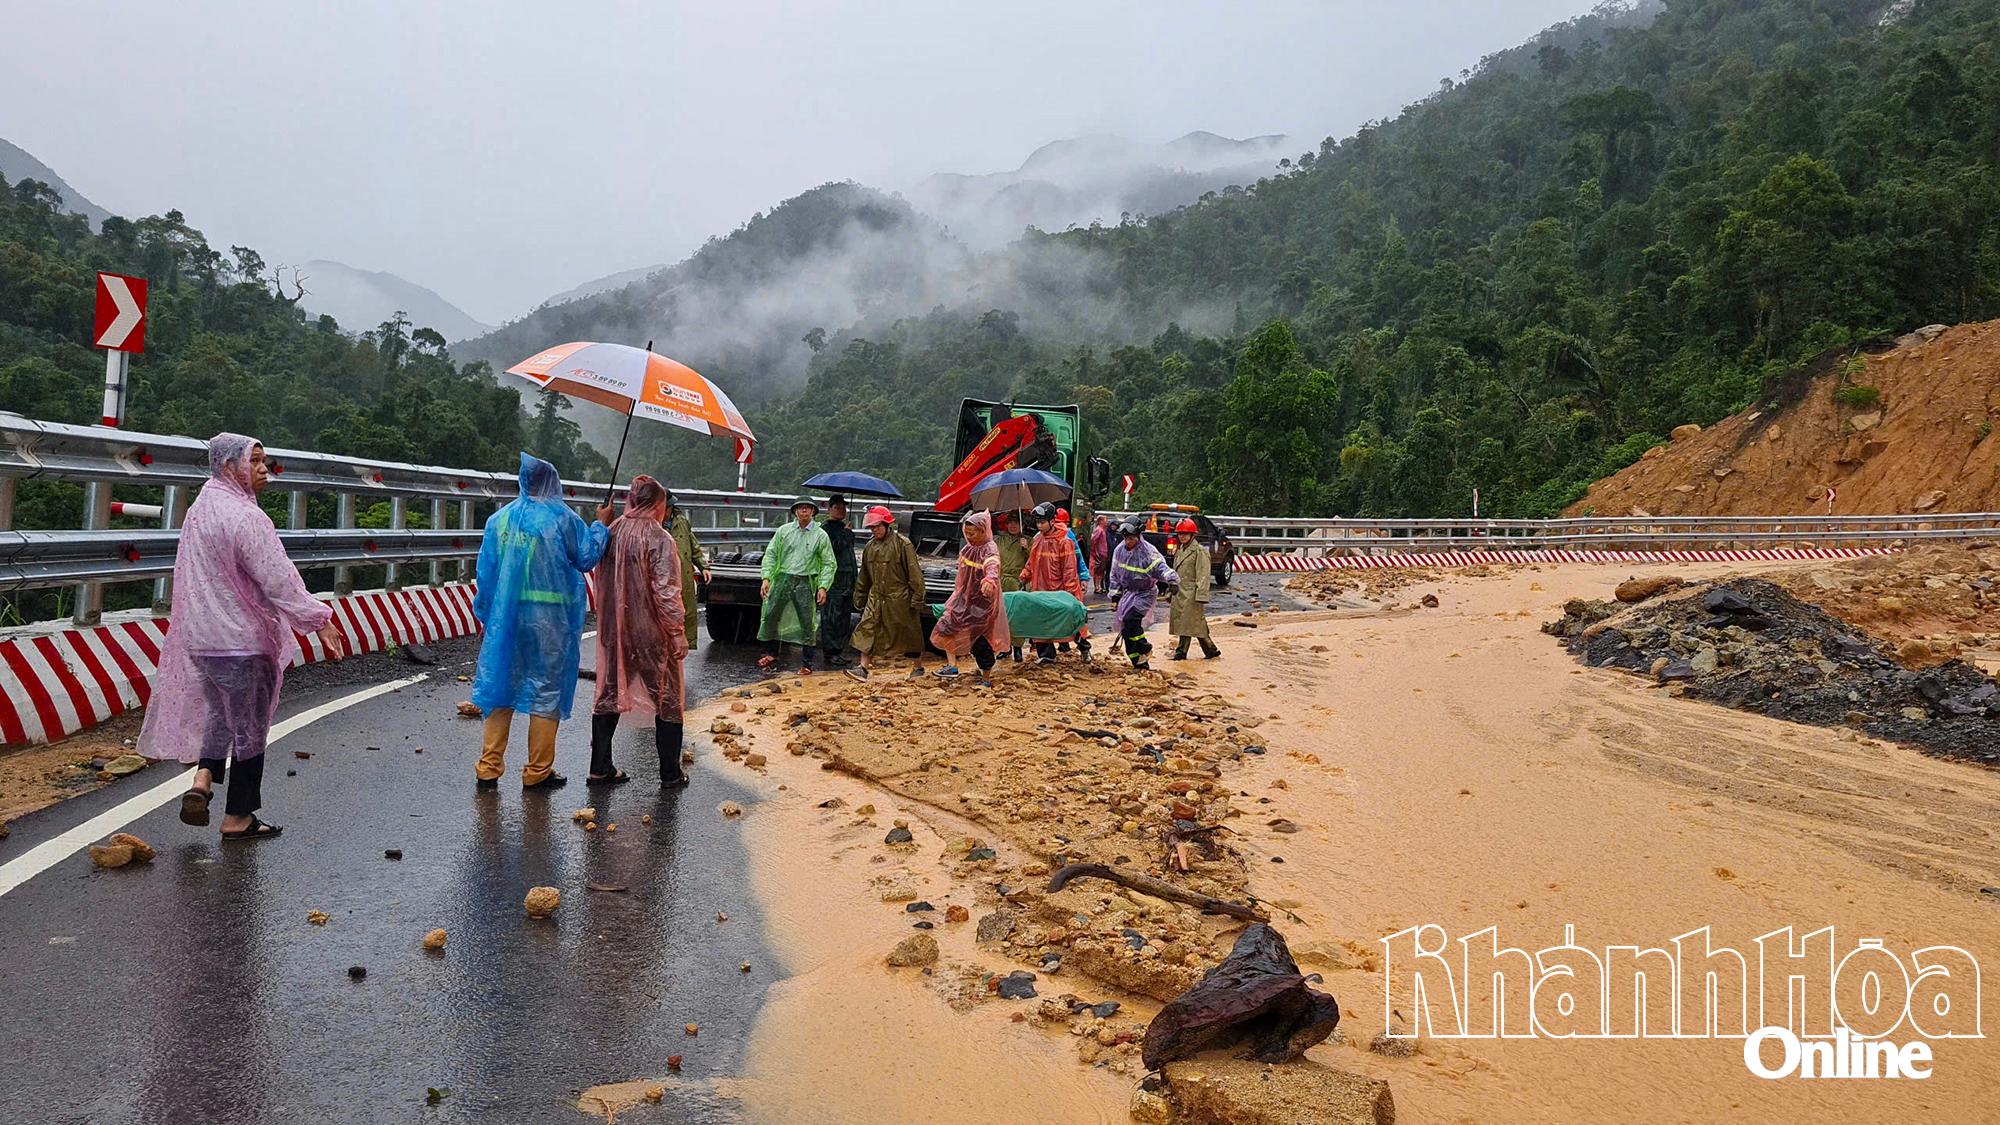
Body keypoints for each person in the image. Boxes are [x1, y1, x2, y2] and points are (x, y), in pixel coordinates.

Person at [142, 433, 348, 841]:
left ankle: (203, 778)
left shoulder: (201, 509)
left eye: (264, 461)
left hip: (201, 637)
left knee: (220, 714)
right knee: (250, 728)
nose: (263, 469)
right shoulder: (247, 518)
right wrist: (318, 619)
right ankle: (238, 816)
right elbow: (278, 579)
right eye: (253, 461)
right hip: (241, 638)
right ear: (229, 466)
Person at [471, 453, 611, 791]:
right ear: (553, 482)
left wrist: (487, 615)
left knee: (500, 686)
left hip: (507, 618)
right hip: (550, 620)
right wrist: (601, 524)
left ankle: (488, 768)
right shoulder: (563, 518)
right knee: (547, 690)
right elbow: (586, 557)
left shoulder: (499, 520)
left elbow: (486, 573)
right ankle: (537, 772)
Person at [589, 476, 690, 789]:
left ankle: (600, 767)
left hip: (614, 629)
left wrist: (601, 522)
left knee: (608, 692)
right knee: (667, 698)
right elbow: (666, 591)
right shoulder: (660, 538)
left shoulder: (611, 531)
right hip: (651, 633)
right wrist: (676, 632)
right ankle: (670, 773)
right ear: (659, 503)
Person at [930, 510, 1010, 685]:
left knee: (979, 640)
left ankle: (986, 677)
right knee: (946, 626)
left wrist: (989, 581)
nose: (969, 537)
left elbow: (992, 566)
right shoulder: (967, 549)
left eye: (972, 533)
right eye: (966, 533)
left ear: (983, 531)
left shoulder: (990, 549)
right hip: (963, 598)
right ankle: (952, 666)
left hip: (982, 604)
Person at [758, 496, 835, 675]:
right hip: (783, 578)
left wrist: (823, 586)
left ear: (813, 511)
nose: (804, 511)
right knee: (771, 614)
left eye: (808, 508)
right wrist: (766, 578)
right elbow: (771, 554)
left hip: (805, 581)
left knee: (807, 621)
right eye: (800, 508)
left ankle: (807, 663)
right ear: (795, 511)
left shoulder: (820, 535)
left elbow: (828, 562)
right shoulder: (784, 531)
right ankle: (770, 653)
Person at [849, 505, 926, 681]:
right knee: (867, 629)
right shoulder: (870, 547)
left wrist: (917, 598)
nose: (874, 530)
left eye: (877, 526)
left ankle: (918, 667)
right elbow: (864, 576)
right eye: (871, 527)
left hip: (899, 598)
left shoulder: (903, 544)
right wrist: (859, 597)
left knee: (909, 633)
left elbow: (914, 574)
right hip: (876, 597)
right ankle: (863, 668)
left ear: (886, 524)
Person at [1022, 501, 1091, 663]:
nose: (1039, 526)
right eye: (1037, 522)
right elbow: (1032, 561)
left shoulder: (1064, 542)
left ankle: (1084, 648)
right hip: (1040, 589)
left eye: (1042, 522)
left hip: (1059, 590)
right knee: (1041, 622)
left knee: (1071, 621)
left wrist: (1070, 594)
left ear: (1052, 521)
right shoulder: (1038, 539)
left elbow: (1069, 570)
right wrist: (1025, 575)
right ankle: (1046, 655)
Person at [1108, 516, 1178, 670]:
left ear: (1138, 536)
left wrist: (1172, 581)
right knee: (1126, 629)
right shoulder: (1120, 551)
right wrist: (1115, 596)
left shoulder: (1148, 552)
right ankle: (1138, 661)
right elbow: (1114, 574)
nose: (1127, 542)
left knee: (1131, 620)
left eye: (1131, 538)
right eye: (1125, 538)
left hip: (1145, 593)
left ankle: (1144, 646)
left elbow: (1161, 568)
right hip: (1129, 593)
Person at [1169, 518, 1220, 660]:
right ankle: (1211, 650)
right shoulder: (1180, 550)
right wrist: (1170, 590)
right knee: (1194, 623)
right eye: (1180, 533)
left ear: (1193, 535)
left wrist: (1201, 595)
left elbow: (1203, 575)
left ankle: (1181, 652)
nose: (1182, 536)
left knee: (1188, 623)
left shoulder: (1199, 551)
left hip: (1192, 593)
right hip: (1180, 592)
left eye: (1185, 534)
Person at [818, 494, 859, 668]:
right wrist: (846, 534)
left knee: (844, 617)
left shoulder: (844, 527)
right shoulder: (825, 529)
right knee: (831, 618)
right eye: (837, 507)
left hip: (847, 580)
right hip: (834, 580)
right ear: (829, 509)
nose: (841, 510)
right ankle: (830, 652)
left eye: (844, 507)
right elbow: (831, 549)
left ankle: (839, 650)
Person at [665, 493, 709, 651]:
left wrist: (704, 566)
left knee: (686, 612)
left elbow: (693, 546)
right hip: (664, 579)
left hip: (683, 575)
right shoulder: (652, 525)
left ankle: (680, 649)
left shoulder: (681, 521)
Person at [994, 511, 1030, 661]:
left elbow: (1032, 562)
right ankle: (1005, 647)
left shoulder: (1028, 541)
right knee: (1001, 616)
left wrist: (1026, 549)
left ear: (1022, 525)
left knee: (1016, 616)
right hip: (1000, 581)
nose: (1013, 526)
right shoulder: (999, 541)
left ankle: (1017, 648)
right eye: (1010, 523)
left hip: (1016, 582)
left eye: (1016, 523)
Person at [1089, 515, 1112, 598]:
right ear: (1101, 521)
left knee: (1101, 571)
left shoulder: (1103, 530)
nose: (1107, 522)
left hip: (1103, 554)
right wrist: (1095, 552)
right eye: (1105, 520)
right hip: (1100, 554)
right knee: (1098, 571)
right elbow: (1093, 541)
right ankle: (1097, 587)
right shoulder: (1098, 530)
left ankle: (1099, 586)